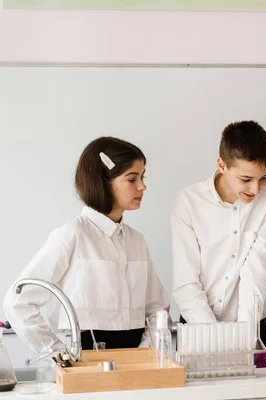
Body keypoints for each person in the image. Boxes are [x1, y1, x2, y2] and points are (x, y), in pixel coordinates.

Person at [4, 137, 169, 351]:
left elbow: (157, 309)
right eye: (132, 179)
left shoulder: (137, 240)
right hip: (85, 364)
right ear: (103, 181)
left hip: (136, 365)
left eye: (142, 177)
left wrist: (146, 350)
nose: (142, 186)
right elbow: (18, 303)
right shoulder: (72, 235)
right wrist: (59, 354)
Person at [172, 121, 266, 347]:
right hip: (197, 329)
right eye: (246, 179)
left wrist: (243, 339)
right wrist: (218, 339)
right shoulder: (187, 201)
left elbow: (258, 269)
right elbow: (186, 283)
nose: (255, 189)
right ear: (222, 165)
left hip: (249, 327)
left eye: (264, 177)